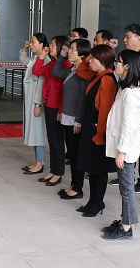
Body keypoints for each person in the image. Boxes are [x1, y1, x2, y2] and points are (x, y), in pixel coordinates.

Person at [102, 49, 140, 240]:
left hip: (126, 148)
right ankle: (124, 220)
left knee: (126, 188)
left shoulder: (131, 93)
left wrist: (122, 151)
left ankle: (127, 228)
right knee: (125, 187)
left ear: (127, 66)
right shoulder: (126, 88)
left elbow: (129, 125)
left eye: (118, 61)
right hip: (123, 145)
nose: (116, 64)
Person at [109, 23, 140, 193]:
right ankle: (127, 174)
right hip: (130, 104)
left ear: (139, 38)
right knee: (128, 139)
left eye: (128, 37)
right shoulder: (129, 57)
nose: (125, 40)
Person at [75, 44, 118, 217]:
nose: (89, 61)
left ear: (102, 60)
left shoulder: (107, 79)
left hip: (98, 131)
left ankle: (98, 203)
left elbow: (105, 111)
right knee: (91, 168)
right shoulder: (97, 75)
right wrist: (90, 56)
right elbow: (81, 70)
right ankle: (92, 201)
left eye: (93, 58)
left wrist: (100, 135)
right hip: (90, 128)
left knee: (98, 169)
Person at [52, 38, 92, 199]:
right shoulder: (72, 69)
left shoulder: (84, 72)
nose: (69, 51)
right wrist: (62, 56)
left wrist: (78, 120)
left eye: (72, 49)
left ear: (82, 53)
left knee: (76, 155)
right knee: (72, 154)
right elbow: (56, 71)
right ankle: (74, 184)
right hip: (67, 117)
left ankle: (78, 188)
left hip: (75, 119)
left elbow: (83, 99)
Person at [33, 35, 71, 186]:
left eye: (54, 45)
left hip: (57, 107)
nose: (51, 47)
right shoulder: (53, 63)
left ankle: (58, 172)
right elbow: (37, 70)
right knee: (51, 140)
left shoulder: (66, 65)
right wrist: (42, 56)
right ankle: (53, 170)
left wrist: (61, 110)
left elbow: (65, 92)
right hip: (48, 105)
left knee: (57, 141)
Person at [19, 34, 51, 175]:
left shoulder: (45, 60)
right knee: (33, 132)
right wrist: (25, 48)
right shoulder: (35, 58)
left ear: (41, 44)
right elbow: (23, 59)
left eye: (33, 42)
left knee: (38, 132)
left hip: (36, 102)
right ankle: (38, 161)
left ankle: (40, 162)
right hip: (31, 100)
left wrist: (38, 104)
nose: (31, 44)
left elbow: (42, 84)